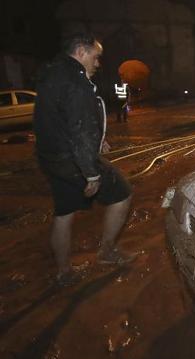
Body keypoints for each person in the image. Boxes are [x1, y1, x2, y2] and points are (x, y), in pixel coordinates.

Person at [33, 33, 134, 286]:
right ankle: (107, 251)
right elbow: (80, 129)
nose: (98, 63)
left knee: (64, 212)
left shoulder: (51, 73)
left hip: (51, 156)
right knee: (122, 194)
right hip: (74, 159)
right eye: (96, 56)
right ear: (81, 51)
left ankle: (64, 271)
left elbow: (61, 118)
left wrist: (99, 141)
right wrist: (90, 172)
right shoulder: (76, 81)